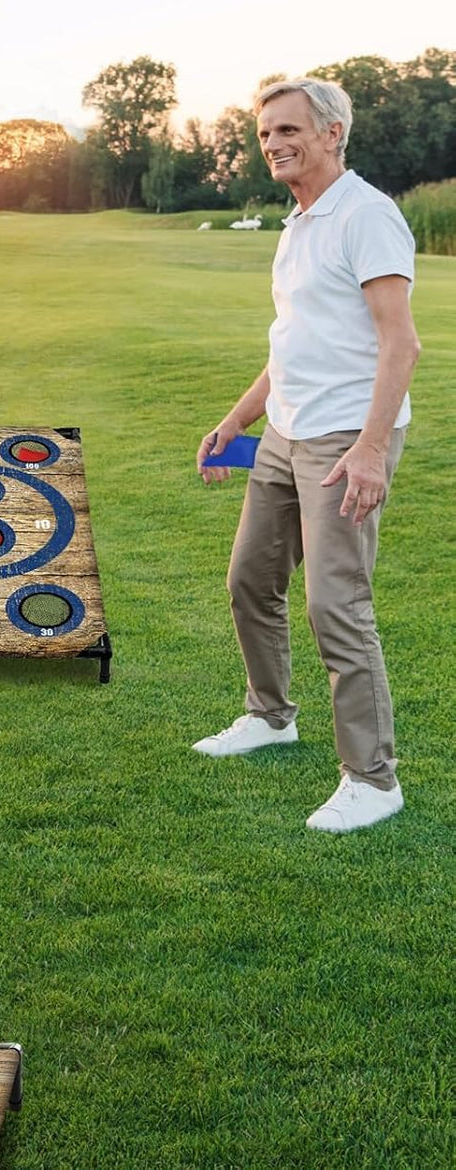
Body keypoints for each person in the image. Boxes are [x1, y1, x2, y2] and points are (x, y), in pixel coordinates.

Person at [195, 76, 421, 834]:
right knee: (248, 582)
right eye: (264, 135)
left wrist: (367, 449)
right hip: (285, 433)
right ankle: (269, 715)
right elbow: (292, 344)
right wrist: (234, 422)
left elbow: (401, 343)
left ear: (331, 133)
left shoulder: (367, 216)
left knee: (335, 604)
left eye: (288, 130)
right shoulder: (296, 225)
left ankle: (372, 777)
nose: (274, 145)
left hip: (342, 440)